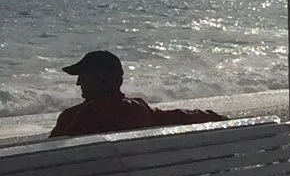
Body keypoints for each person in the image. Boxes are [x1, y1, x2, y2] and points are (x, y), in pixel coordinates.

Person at [48, 51, 223, 139]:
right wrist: (219, 119)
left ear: (99, 79)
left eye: (82, 76)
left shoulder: (74, 117)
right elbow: (179, 117)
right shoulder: (139, 111)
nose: (78, 83)